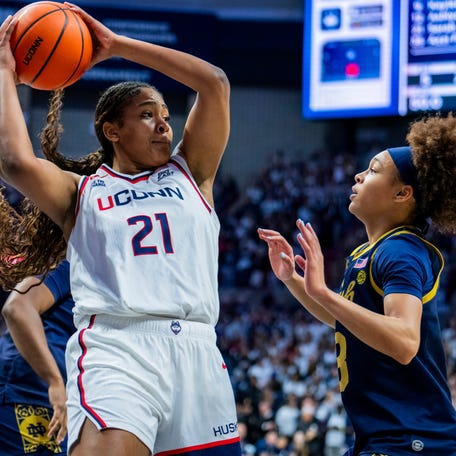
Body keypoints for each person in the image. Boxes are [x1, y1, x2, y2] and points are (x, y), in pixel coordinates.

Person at [0, 3, 241, 456]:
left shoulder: (194, 173)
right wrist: (3, 72)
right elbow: (15, 161)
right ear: (112, 130)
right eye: (148, 114)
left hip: (198, 352)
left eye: (166, 114)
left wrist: (115, 46)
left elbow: (214, 83)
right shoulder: (82, 191)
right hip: (119, 349)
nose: (164, 124)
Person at [258, 113, 456, 455]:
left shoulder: (402, 250)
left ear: (402, 194)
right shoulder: (370, 251)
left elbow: (405, 340)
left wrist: (321, 292)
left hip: (412, 439)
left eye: (374, 170)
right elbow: (346, 322)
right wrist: (293, 280)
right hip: (385, 435)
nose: (358, 175)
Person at [0, 260, 74, 455]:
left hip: (57, 400)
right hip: (26, 389)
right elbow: (17, 308)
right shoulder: (73, 266)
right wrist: (54, 381)